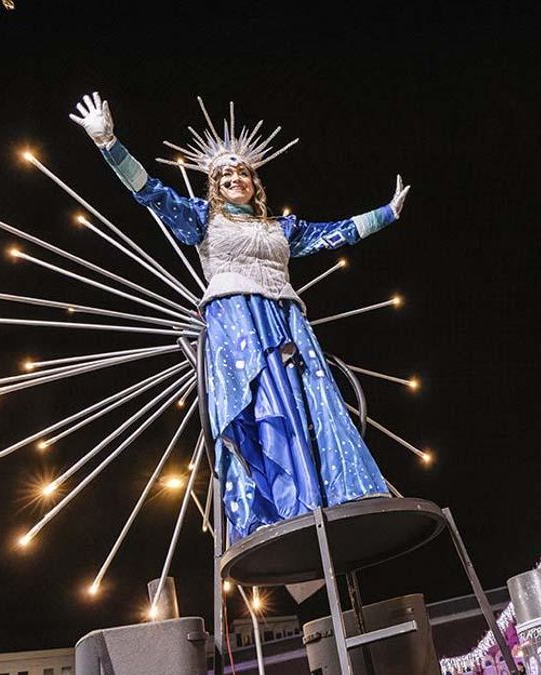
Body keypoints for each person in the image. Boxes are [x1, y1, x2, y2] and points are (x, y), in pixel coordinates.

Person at [71, 93, 411, 542]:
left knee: (306, 403)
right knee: (261, 406)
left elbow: (335, 233)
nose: (235, 178)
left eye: (243, 172)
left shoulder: (282, 228)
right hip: (236, 321)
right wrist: (109, 144)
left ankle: (322, 496)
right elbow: (151, 192)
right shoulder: (201, 220)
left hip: (285, 319)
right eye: (225, 175)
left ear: (255, 183)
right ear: (215, 185)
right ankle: (277, 504)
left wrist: (386, 213)